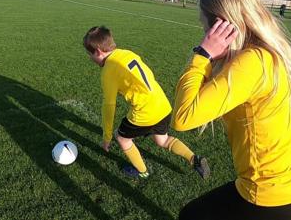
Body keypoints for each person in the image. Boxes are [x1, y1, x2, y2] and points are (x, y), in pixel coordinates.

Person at [172, 0, 291, 219]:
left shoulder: (251, 63)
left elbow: (183, 117)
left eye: (202, 22)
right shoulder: (263, 53)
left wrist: (203, 54)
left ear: (219, 26)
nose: (202, 29)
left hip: (272, 194)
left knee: (191, 215)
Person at [83, 26, 210, 179]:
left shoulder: (108, 70)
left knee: (122, 138)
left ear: (98, 51)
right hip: (162, 105)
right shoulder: (127, 53)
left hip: (144, 113)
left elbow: (109, 106)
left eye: (90, 54)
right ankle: (193, 159)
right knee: (162, 140)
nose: (90, 58)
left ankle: (142, 171)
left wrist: (107, 137)